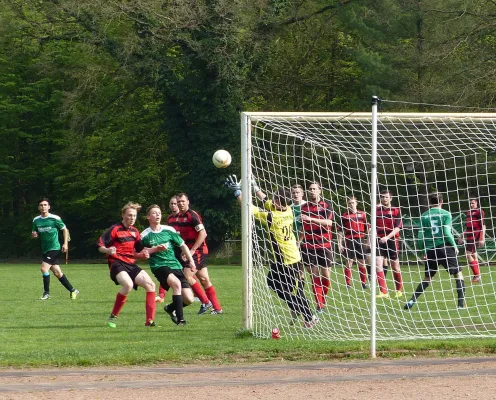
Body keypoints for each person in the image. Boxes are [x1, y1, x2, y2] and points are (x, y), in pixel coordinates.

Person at [225, 175, 317, 328]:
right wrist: (256, 189)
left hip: (288, 261)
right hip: (285, 259)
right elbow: (266, 201)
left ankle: (309, 316)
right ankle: (304, 312)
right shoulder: (287, 210)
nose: (273, 200)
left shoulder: (272, 217)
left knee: (289, 293)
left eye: (275, 199)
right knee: (273, 283)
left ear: (279, 202)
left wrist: (237, 192)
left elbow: (248, 208)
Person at [97, 202, 156, 328]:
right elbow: (100, 246)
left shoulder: (135, 231)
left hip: (131, 264)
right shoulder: (115, 229)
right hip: (117, 263)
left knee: (151, 285)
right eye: (129, 215)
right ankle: (113, 316)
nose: (132, 218)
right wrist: (108, 250)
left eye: (134, 216)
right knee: (128, 284)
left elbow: (139, 252)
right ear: (123, 215)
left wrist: (150, 252)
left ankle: (149, 321)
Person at [404, 193, 466, 310]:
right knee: (458, 275)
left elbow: (420, 236)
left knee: (428, 278)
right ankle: (460, 305)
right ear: (442, 201)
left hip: (430, 250)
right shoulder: (446, 214)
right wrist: (455, 246)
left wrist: (424, 250)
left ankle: (412, 300)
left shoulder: (424, 216)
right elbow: (447, 233)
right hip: (444, 248)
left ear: (429, 202)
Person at [167, 193, 223, 315]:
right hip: (189, 251)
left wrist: (191, 251)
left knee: (187, 276)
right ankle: (217, 308)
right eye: (178, 201)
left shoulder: (192, 215)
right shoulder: (177, 217)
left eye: (183, 201)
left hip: (198, 250)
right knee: (204, 279)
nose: (180, 204)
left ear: (188, 202)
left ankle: (205, 302)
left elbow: (203, 234)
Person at [141, 204, 196, 325]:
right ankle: (181, 320)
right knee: (176, 284)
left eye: (159, 213)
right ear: (148, 216)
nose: (158, 215)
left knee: (189, 299)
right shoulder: (144, 235)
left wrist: (191, 261)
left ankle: (170, 308)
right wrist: (154, 249)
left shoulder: (169, 230)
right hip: (159, 266)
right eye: (154, 213)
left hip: (175, 265)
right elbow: (139, 252)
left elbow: (183, 245)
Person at [31, 198, 79, 300]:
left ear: (49, 207)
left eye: (45, 205)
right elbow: (35, 233)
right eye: (41, 205)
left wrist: (65, 244)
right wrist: (34, 235)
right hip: (45, 249)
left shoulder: (55, 218)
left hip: (55, 248)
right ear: (38, 207)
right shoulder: (36, 220)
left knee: (43, 269)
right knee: (57, 273)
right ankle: (73, 290)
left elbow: (65, 230)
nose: (43, 207)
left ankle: (46, 293)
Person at [300, 182, 334, 313]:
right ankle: (319, 304)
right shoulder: (304, 207)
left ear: (320, 190)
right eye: (310, 189)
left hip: (324, 245)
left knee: (326, 276)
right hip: (309, 246)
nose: (312, 191)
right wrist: (299, 242)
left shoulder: (327, 205)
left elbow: (329, 223)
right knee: (314, 276)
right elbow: (303, 227)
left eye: (315, 189)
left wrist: (311, 219)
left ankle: (323, 299)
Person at [375, 190, 404, 298]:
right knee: (378, 264)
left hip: (392, 240)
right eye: (382, 197)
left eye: (386, 197)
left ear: (391, 198)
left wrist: (387, 237)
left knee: (395, 266)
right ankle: (383, 292)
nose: (384, 199)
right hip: (379, 240)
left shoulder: (396, 211)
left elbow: (397, 228)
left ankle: (399, 290)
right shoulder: (376, 211)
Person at [337, 196, 369, 289]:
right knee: (349, 262)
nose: (352, 204)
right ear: (347, 204)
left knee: (362, 262)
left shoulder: (363, 214)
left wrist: (367, 241)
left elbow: (368, 228)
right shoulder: (344, 216)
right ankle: (348, 284)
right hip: (349, 241)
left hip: (360, 240)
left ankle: (363, 283)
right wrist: (339, 243)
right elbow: (340, 231)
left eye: (353, 203)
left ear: (356, 203)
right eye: (350, 203)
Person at [156, 195, 179, 303]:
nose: (174, 206)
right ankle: (161, 295)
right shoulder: (170, 218)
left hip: (185, 249)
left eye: (175, 203)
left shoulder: (187, 216)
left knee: (188, 275)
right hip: (173, 249)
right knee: (166, 270)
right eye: (172, 204)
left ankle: (204, 300)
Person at [458, 197, 486, 283]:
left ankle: (477, 275)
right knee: (474, 255)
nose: (471, 205)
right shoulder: (468, 212)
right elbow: (468, 227)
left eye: (472, 203)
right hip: (469, 236)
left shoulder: (479, 212)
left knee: (467, 254)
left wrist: (482, 238)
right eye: (470, 203)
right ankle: (477, 275)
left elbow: (483, 226)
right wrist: (461, 236)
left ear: (476, 203)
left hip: (475, 236)